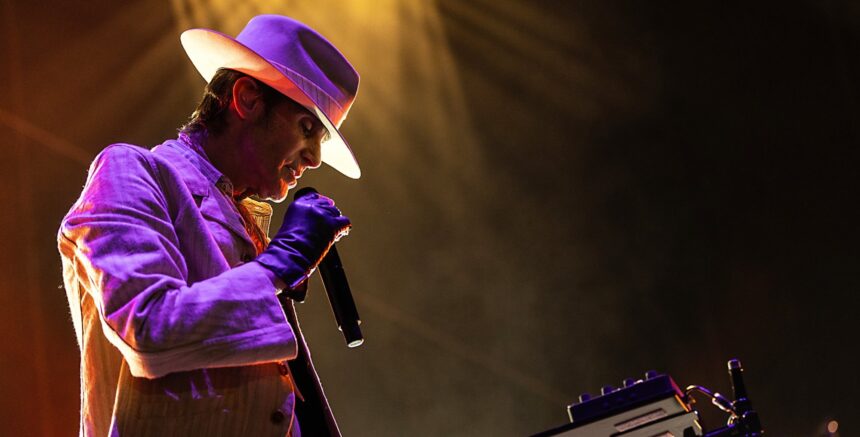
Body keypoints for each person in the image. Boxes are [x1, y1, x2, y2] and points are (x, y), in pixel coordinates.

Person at [58, 15, 360, 436]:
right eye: (307, 128)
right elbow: (147, 325)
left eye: (321, 142)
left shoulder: (246, 222)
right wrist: (277, 265)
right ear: (248, 99)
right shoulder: (134, 171)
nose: (313, 159)